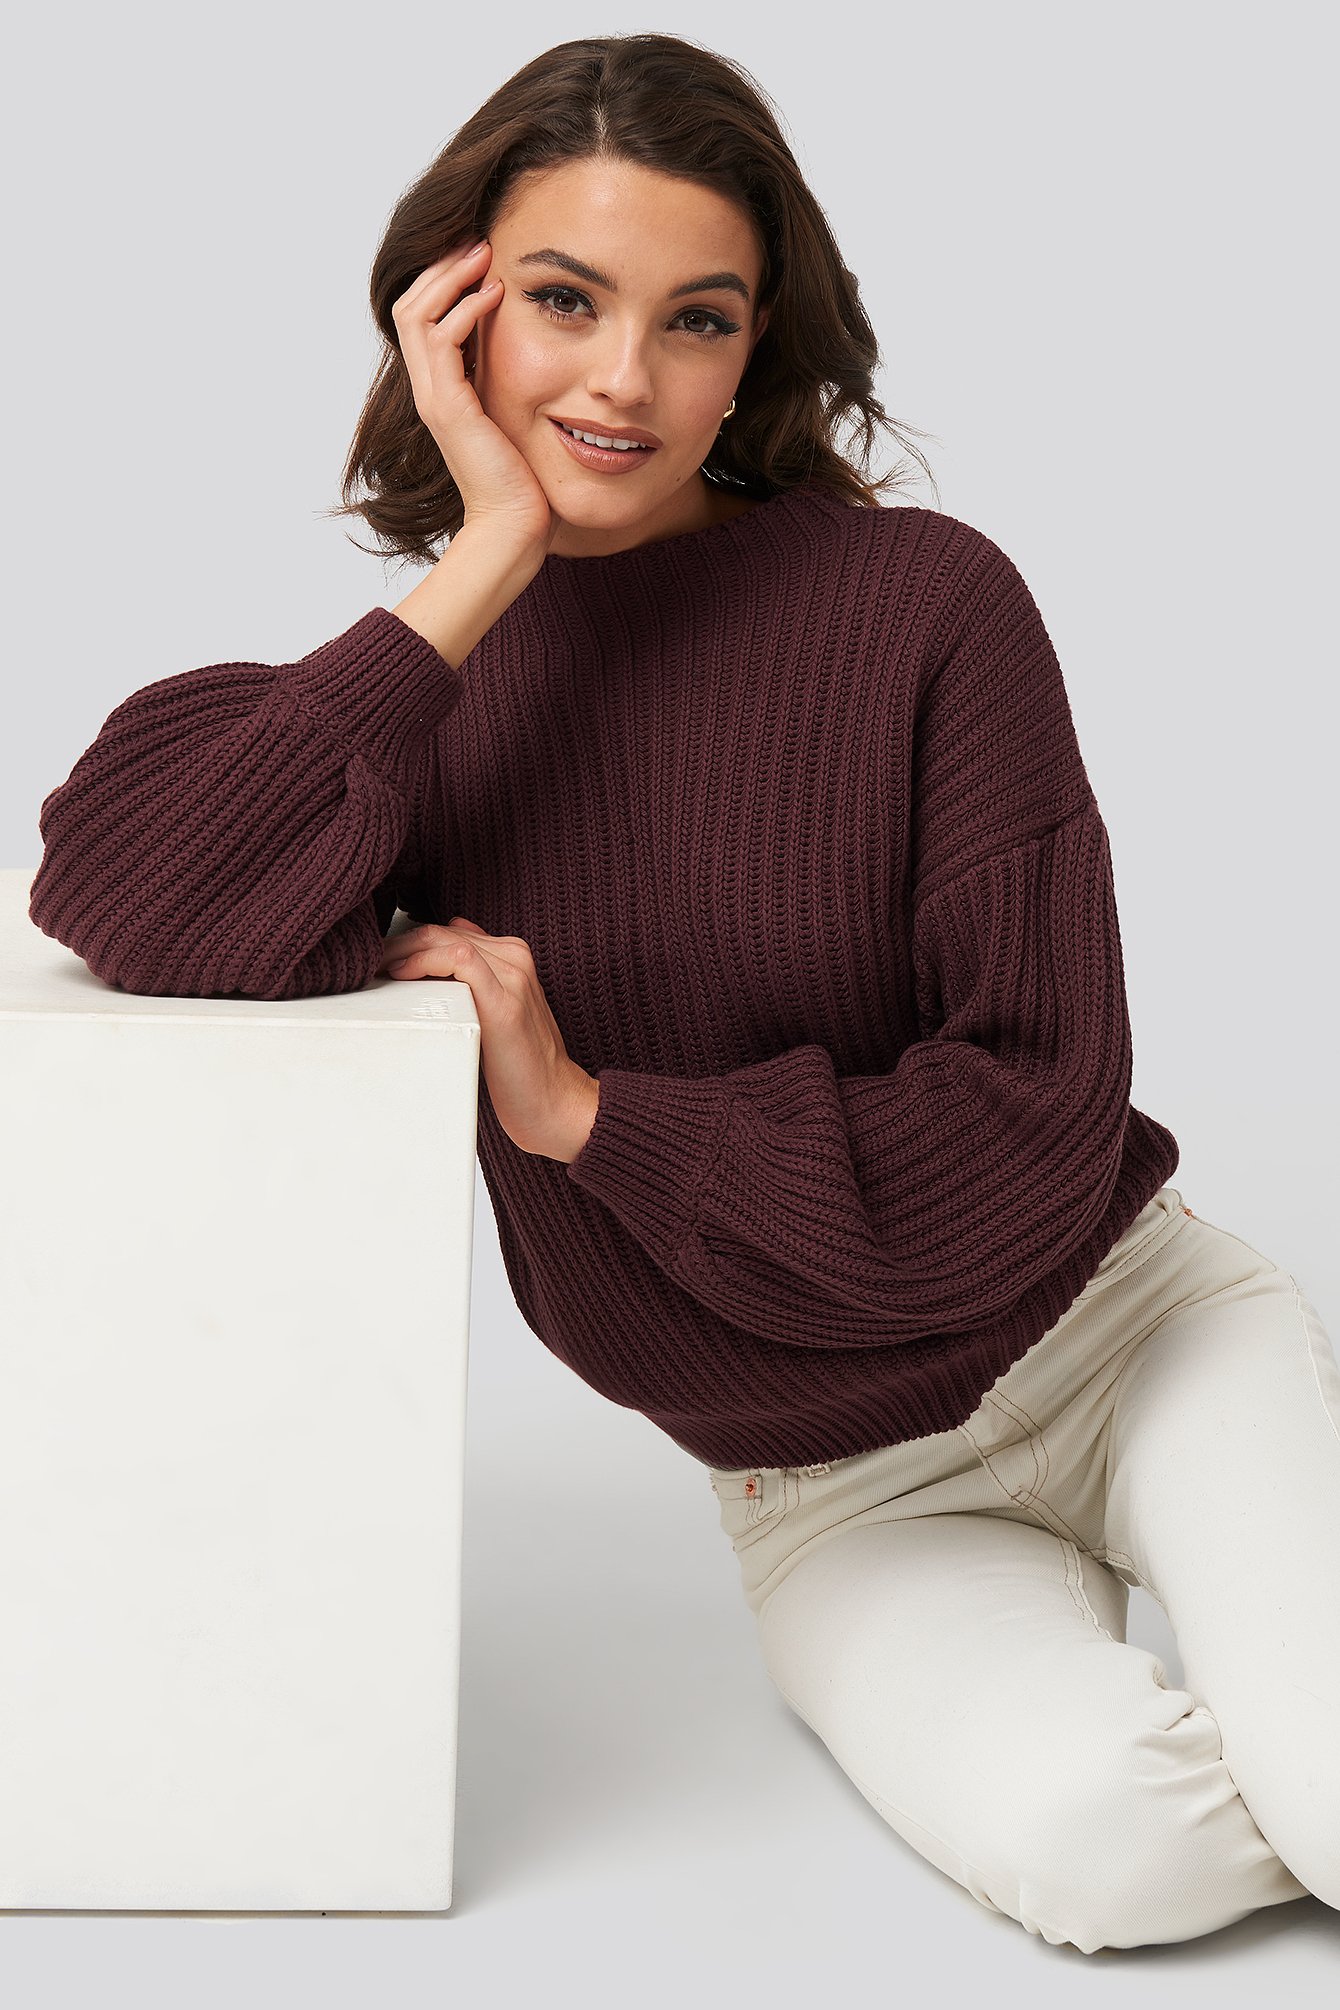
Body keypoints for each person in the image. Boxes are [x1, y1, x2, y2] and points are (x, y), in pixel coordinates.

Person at [27, 30, 1339, 1954]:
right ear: (452, 309)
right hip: (835, 1488)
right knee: (1107, 1854)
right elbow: (125, 886)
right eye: (566, 301)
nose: (624, 382)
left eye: (695, 319)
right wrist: (488, 556)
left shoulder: (929, 606)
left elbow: (1033, 1108)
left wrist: (595, 1122)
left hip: (1129, 1335)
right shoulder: (418, 718)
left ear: (755, 351)